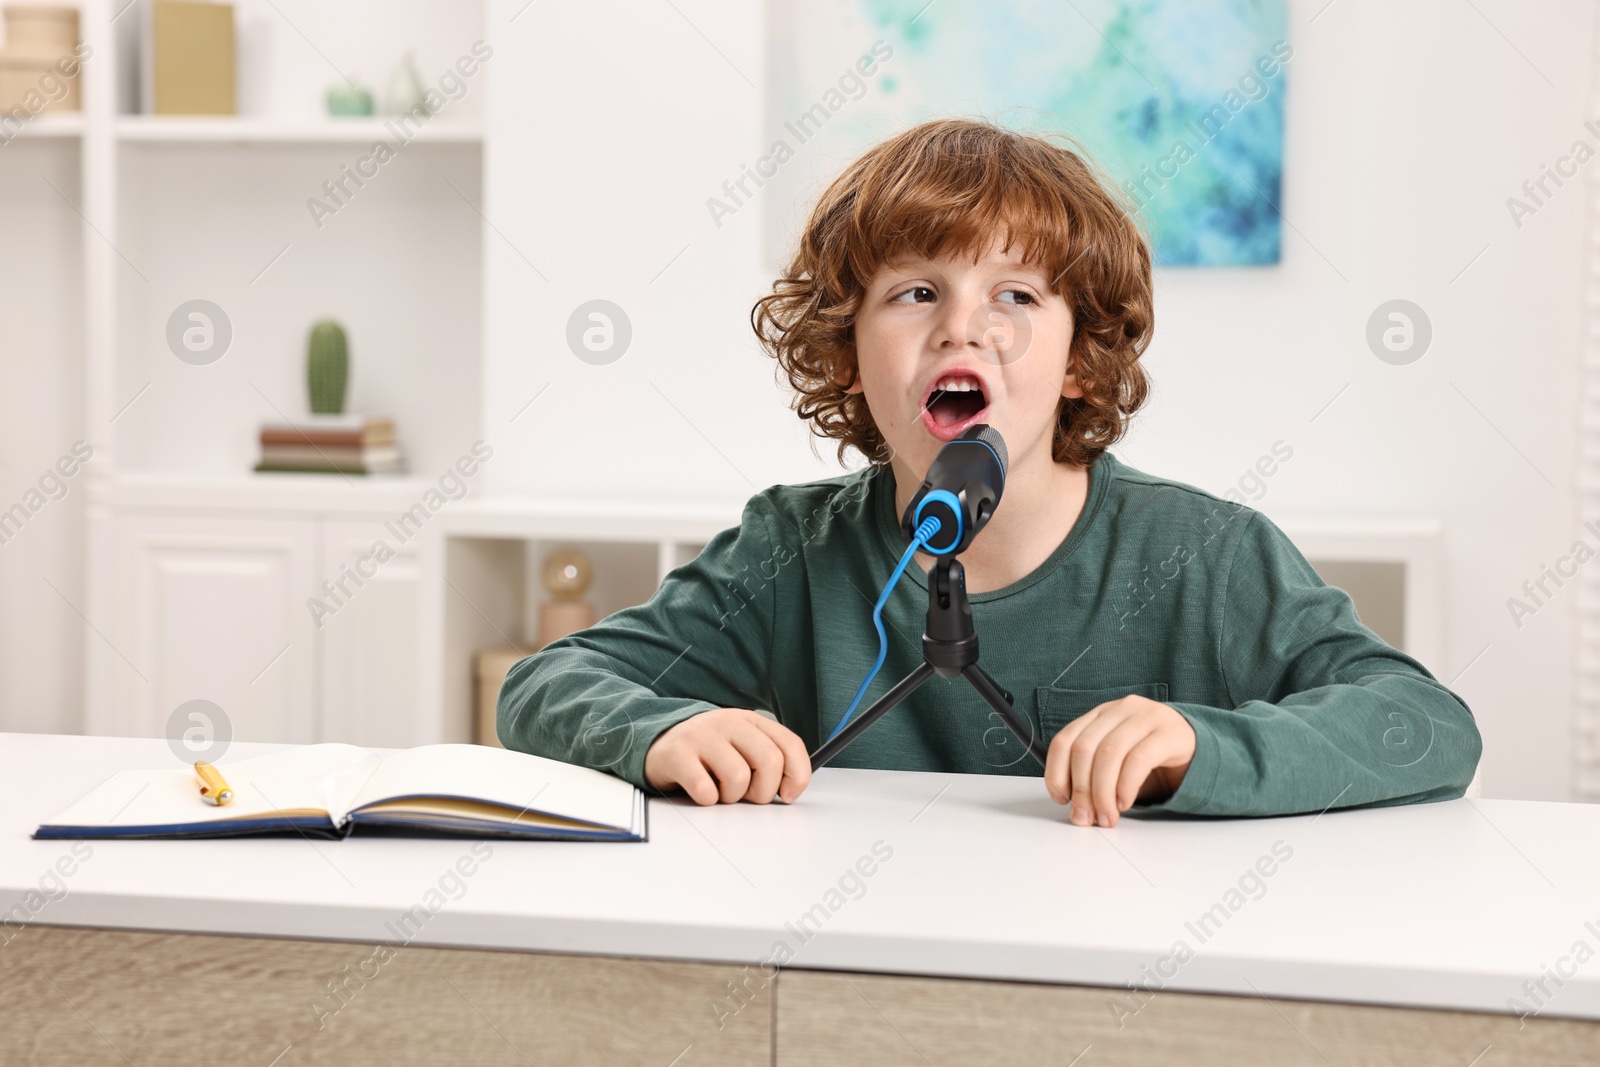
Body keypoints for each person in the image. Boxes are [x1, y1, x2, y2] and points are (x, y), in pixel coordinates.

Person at [498, 118, 1481, 826]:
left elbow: (1425, 724)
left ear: (1080, 358)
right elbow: (547, 684)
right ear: (845, 354)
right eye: (917, 291)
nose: (963, 325)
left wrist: (1200, 749)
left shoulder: (1207, 557)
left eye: (1015, 293)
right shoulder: (793, 550)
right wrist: (659, 731)